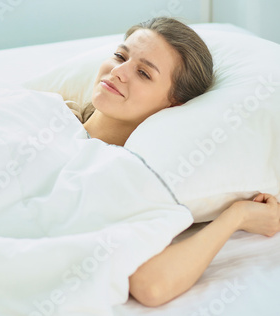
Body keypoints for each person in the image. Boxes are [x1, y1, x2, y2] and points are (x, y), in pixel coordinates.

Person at [79, 17, 280, 307]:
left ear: (174, 104)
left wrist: (237, 216)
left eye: (144, 73)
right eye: (120, 56)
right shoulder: (50, 110)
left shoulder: (129, 174)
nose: (119, 72)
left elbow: (151, 285)